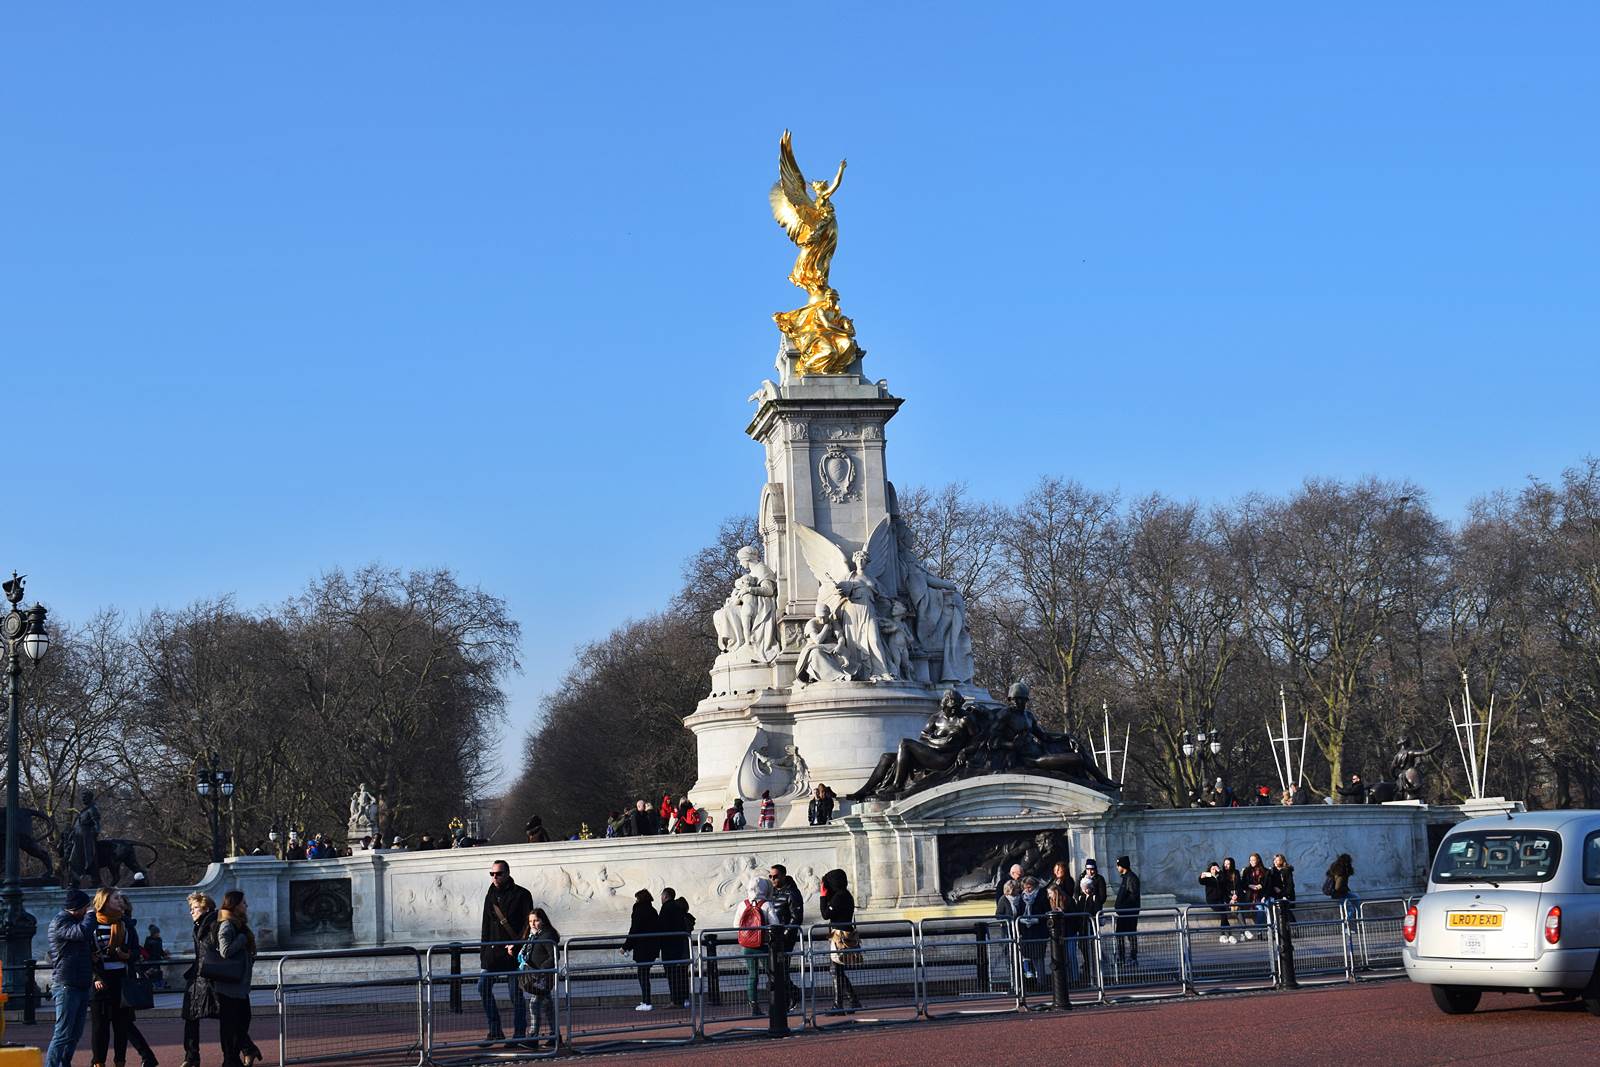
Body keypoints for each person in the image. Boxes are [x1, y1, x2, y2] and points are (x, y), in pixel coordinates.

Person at [479, 860, 533, 1041]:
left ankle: (519, 1033)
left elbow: (528, 924)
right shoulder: (489, 895)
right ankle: (495, 1030)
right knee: (482, 987)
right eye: (492, 874)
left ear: (508, 873)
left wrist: (517, 945)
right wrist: (483, 954)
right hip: (492, 953)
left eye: (499, 873)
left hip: (512, 954)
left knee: (515, 994)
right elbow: (485, 926)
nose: (495, 877)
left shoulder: (522, 894)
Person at [45, 888, 97, 1067]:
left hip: (79, 983)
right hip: (67, 984)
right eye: (86, 907)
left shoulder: (72, 920)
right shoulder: (61, 922)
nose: (88, 910)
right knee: (62, 1033)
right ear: (78, 908)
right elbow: (82, 932)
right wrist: (91, 915)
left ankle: (65, 1063)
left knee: (74, 1033)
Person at [735, 876, 790, 1035]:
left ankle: (754, 1005)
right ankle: (776, 1004)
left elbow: (735, 924)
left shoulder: (742, 904)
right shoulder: (766, 904)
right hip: (764, 945)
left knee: (752, 975)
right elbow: (775, 923)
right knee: (772, 975)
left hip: (747, 945)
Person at [89, 887, 137, 1067]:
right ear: (105, 902)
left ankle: (120, 1061)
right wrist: (95, 977)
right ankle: (98, 1062)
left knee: (121, 1025)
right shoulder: (91, 924)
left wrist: (128, 956)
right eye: (116, 899)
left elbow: (136, 951)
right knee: (100, 1026)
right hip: (101, 979)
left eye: (119, 899)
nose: (120, 901)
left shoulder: (126, 924)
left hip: (121, 978)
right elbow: (86, 954)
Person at [214, 890, 260, 1067]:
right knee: (234, 1024)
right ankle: (231, 1059)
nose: (246, 906)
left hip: (237, 984)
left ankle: (234, 1057)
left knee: (240, 1021)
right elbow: (226, 951)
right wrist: (242, 938)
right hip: (229, 985)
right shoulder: (228, 924)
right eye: (243, 903)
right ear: (234, 905)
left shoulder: (238, 924)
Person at [181, 892, 219, 1067]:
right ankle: (191, 1057)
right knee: (191, 1017)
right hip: (199, 977)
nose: (192, 912)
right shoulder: (199, 925)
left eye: (195, 908)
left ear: (206, 908)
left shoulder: (212, 924)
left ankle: (247, 1048)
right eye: (191, 908)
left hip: (208, 977)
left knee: (223, 1015)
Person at [516, 908, 560, 1048]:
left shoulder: (547, 935)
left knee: (534, 1004)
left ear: (543, 920)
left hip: (543, 977)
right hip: (536, 975)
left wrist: (541, 970)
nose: (533, 924)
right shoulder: (534, 935)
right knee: (548, 1006)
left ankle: (533, 1037)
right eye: (530, 921)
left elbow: (554, 956)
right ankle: (556, 1036)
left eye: (536, 920)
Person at [818, 869, 861, 1012]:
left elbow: (825, 914)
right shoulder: (845, 895)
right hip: (843, 935)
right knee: (837, 969)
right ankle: (852, 1000)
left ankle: (839, 1004)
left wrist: (823, 896)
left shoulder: (840, 897)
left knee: (835, 969)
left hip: (839, 936)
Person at [623, 889, 661, 1011]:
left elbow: (634, 930)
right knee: (644, 974)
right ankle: (646, 1000)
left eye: (637, 898)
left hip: (643, 947)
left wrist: (626, 946)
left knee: (642, 975)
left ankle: (646, 1002)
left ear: (640, 899)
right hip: (652, 947)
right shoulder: (652, 910)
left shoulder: (639, 910)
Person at [658, 888, 695, 1009]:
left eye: (662, 896)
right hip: (683, 947)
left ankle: (675, 1000)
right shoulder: (680, 909)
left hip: (671, 948)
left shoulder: (666, 908)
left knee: (672, 975)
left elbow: (662, 927)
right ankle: (685, 999)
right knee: (683, 974)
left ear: (665, 896)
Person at [1045, 882, 1076, 1009]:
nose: (1049, 896)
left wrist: (1062, 912)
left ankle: (1074, 979)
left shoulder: (1065, 900)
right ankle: (1068, 979)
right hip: (1059, 934)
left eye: (1050, 893)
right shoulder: (1052, 901)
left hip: (1069, 931)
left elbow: (1073, 914)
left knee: (1071, 954)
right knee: (1063, 957)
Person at [1017, 875, 1050, 984]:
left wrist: (1037, 919)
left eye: (1029, 887)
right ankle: (1030, 983)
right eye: (1025, 887)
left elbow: (1046, 911)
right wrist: (1021, 920)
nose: (1027, 890)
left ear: (1034, 886)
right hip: (1026, 932)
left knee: (1038, 958)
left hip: (1039, 931)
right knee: (1027, 957)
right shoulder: (1022, 897)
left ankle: (1041, 982)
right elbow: (1019, 913)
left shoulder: (1041, 895)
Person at [1113, 856, 1141, 965]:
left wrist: (1123, 907)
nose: (1116, 867)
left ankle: (1133, 958)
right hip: (1123, 913)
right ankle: (1121, 958)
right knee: (1119, 935)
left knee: (1130, 935)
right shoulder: (1126, 878)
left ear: (1122, 866)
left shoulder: (1131, 878)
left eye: (1118, 865)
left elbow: (1133, 896)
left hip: (1129, 913)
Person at [1199, 861, 1231, 940]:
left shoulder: (1220, 877)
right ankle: (1227, 934)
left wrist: (1220, 871)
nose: (1214, 870)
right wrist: (1201, 877)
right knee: (1223, 914)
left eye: (1215, 869)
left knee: (1224, 914)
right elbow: (1201, 881)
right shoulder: (1208, 878)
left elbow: (1225, 880)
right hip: (1212, 900)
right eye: (1212, 869)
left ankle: (1226, 935)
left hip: (1220, 899)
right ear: (1209, 870)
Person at [1241, 852, 1270, 936]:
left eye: (1253, 860)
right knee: (1260, 908)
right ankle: (1260, 930)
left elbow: (1268, 885)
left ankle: (1268, 930)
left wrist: (1260, 886)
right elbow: (1243, 884)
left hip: (1262, 895)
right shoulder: (1246, 870)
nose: (1252, 862)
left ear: (1258, 860)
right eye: (1250, 860)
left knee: (1267, 908)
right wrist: (1250, 885)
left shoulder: (1265, 871)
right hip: (1251, 896)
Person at [1265, 853, 1297, 922]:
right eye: (1274, 860)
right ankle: (1282, 930)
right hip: (1276, 896)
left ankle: (1293, 927)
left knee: (1286, 912)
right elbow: (1269, 883)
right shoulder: (1272, 870)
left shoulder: (1286, 870)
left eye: (1278, 860)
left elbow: (1290, 885)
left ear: (1282, 861)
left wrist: (1282, 893)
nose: (1276, 862)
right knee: (1279, 913)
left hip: (1286, 895)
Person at [1218, 857, 1243, 941]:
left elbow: (1239, 885)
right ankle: (1223, 934)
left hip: (1236, 896)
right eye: (1225, 864)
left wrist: (1236, 896)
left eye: (1228, 864)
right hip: (1226, 897)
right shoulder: (1222, 874)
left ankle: (1243, 932)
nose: (1226, 865)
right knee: (1224, 911)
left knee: (1239, 909)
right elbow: (1222, 889)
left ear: (1232, 864)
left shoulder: (1236, 872)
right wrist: (1230, 899)